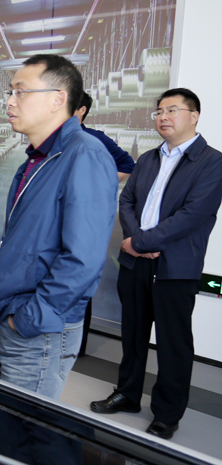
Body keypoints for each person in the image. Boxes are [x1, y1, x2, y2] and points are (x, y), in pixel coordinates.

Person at [0, 54, 118, 399]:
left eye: (21, 92)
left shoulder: (85, 155)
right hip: (7, 313)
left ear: (58, 99)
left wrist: (29, 318)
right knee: (2, 418)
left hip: (35, 327)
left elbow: (82, 259)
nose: (10, 101)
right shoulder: (37, 158)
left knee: (23, 425)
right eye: (10, 92)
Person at [90, 88, 222, 439]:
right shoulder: (149, 158)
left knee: (172, 342)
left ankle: (167, 413)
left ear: (194, 116)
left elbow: (192, 215)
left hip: (175, 267)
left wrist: (141, 242)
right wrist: (135, 241)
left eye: (172, 110)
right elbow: (127, 201)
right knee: (133, 334)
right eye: (159, 111)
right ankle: (127, 394)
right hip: (135, 262)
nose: (163, 117)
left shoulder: (212, 162)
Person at [75, 91, 135, 356]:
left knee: (78, 281)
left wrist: (99, 184)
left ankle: (77, 345)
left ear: (82, 110)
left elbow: (128, 164)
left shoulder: (94, 138)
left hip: (83, 221)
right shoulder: (51, 139)